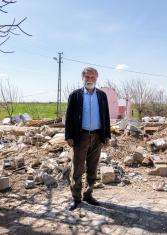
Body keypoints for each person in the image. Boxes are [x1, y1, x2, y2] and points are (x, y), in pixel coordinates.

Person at [65, 67, 111, 211]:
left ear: (96, 78)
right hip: (80, 136)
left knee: (93, 168)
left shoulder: (102, 96)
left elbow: (106, 117)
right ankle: (76, 198)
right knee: (77, 169)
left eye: (92, 77)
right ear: (83, 78)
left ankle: (88, 194)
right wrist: (68, 136)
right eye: (87, 77)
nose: (90, 79)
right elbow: (69, 118)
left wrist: (107, 135)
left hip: (98, 136)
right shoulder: (75, 95)